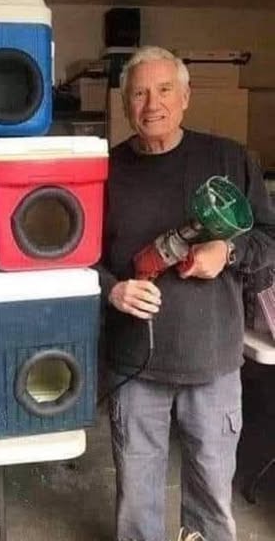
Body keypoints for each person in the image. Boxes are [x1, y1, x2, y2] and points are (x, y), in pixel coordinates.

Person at [99, 46, 275, 541]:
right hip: (135, 363)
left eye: (163, 90)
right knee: (137, 497)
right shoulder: (105, 171)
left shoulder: (230, 159)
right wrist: (114, 291)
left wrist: (228, 253)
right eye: (138, 93)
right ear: (125, 104)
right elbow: (77, 259)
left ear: (186, 97)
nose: (151, 104)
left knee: (212, 494)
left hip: (213, 362)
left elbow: (269, 239)